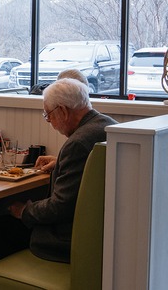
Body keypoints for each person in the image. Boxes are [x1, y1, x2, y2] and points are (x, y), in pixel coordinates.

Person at [9, 78, 116, 263]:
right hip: (103, 233)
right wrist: (60, 162)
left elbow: (60, 207)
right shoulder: (109, 125)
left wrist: (24, 211)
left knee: (3, 226)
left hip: (69, 240)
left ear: (63, 111)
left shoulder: (77, 144)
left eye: (48, 115)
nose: (49, 122)